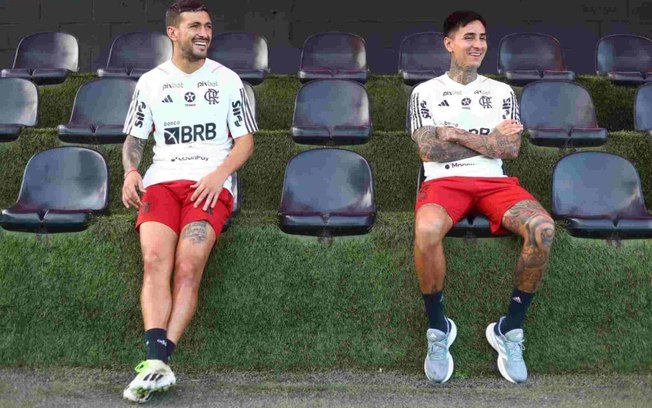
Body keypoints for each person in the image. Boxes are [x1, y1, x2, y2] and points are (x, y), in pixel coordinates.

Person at [120, 0, 256, 402]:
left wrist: (219, 176)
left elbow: (245, 141)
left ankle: (158, 359)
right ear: (173, 33)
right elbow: (135, 138)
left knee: (189, 264)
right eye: (195, 25)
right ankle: (156, 364)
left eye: (209, 26)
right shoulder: (150, 82)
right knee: (154, 262)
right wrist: (131, 171)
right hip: (161, 182)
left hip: (210, 183)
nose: (204, 33)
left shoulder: (227, 79)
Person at [409, 10, 555, 384]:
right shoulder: (424, 93)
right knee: (426, 232)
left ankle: (509, 329)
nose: (477, 45)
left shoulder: (501, 92)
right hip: (444, 183)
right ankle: (439, 329)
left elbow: (510, 151)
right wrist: (490, 142)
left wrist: (455, 133)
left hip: (494, 183)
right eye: (469, 37)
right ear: (449, 43)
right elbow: (429, 153)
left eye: (483, 38)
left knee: (542, 229)